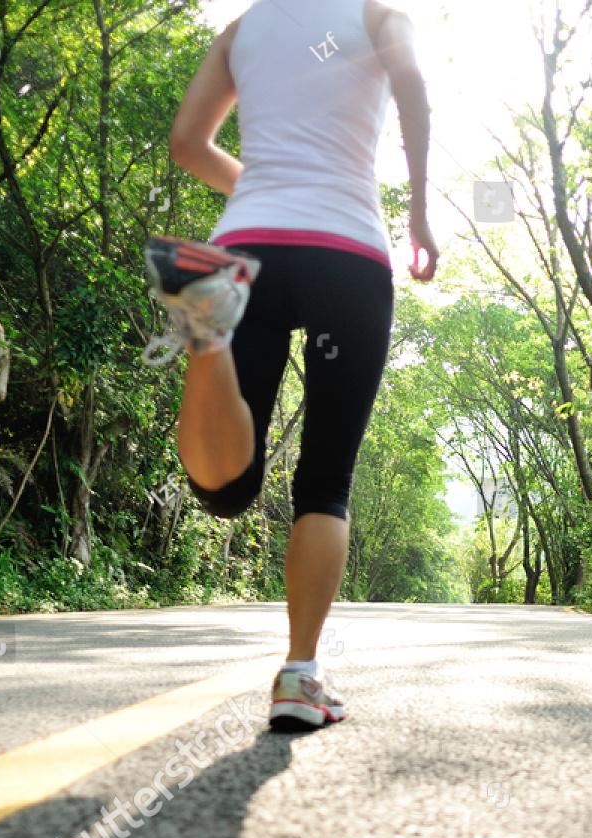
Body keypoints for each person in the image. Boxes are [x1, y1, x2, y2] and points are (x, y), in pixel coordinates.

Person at [143, 0, 439, 728]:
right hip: (347, 250)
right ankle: (299, 675)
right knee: (325, 483)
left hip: (251, 246)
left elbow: (187, 142)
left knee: (225, 491)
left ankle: (207, 337)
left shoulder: (243, 28)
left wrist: (261, 186)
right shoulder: (378, 16)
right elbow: (414, 90)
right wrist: (420, 214)